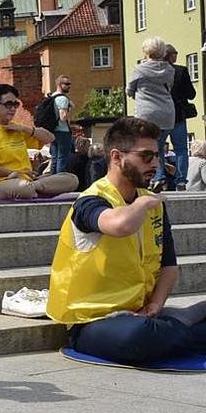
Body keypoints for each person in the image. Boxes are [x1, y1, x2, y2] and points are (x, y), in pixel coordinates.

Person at [47, 117, 206, 364]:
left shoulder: (151, 203)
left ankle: (179, 324)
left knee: (148, 332)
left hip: (143, 313)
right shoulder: (90, 201)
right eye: (146, 156)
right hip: (94, 321)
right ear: (116, 157)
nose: (155, 163)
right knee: (138, 338)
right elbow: (120, 225)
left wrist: (155, 304)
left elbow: (169, 265)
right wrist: (142, 203)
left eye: (157, 155)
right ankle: (184, 323)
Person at [0, 84, 78, 200]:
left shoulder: (16, 128)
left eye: (15, 105)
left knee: (72, 179)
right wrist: (13, 173)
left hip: (27, 180)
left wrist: (25, 129)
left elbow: (50, 138)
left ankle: (35, 189)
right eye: (8, 104)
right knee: (23, 188)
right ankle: (38, 190)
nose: (13, 109)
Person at [126, 36, 175, 192]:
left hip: (147, 113)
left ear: (145, 51)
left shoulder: (139, 69)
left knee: (146, 148)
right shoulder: (169, 70)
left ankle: (155, 178)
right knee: (159, 147)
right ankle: (159, 177)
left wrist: (137, 94)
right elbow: (169, 87)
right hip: (167, 112)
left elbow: (129, 89)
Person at [165, 44, 196, 190]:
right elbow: (191, 94)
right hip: (177, 115)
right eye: (175, 53)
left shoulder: (153, 71)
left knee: (158, 148)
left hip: (160, 116)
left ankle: (159, 177)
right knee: (181, 149)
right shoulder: (180, 71)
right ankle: (181, 180)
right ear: (171, 55)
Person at [49, 75, 75, 174]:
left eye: (70, 84)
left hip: (53, 131)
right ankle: (61, 182)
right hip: (63, 132)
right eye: (67, 84)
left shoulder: (52, 96)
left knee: (54, 158)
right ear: (60, 85)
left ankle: (52, 181)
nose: (69, 86)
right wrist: (69, 108)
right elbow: (63, 117)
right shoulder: (63, 99)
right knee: (63, 159)